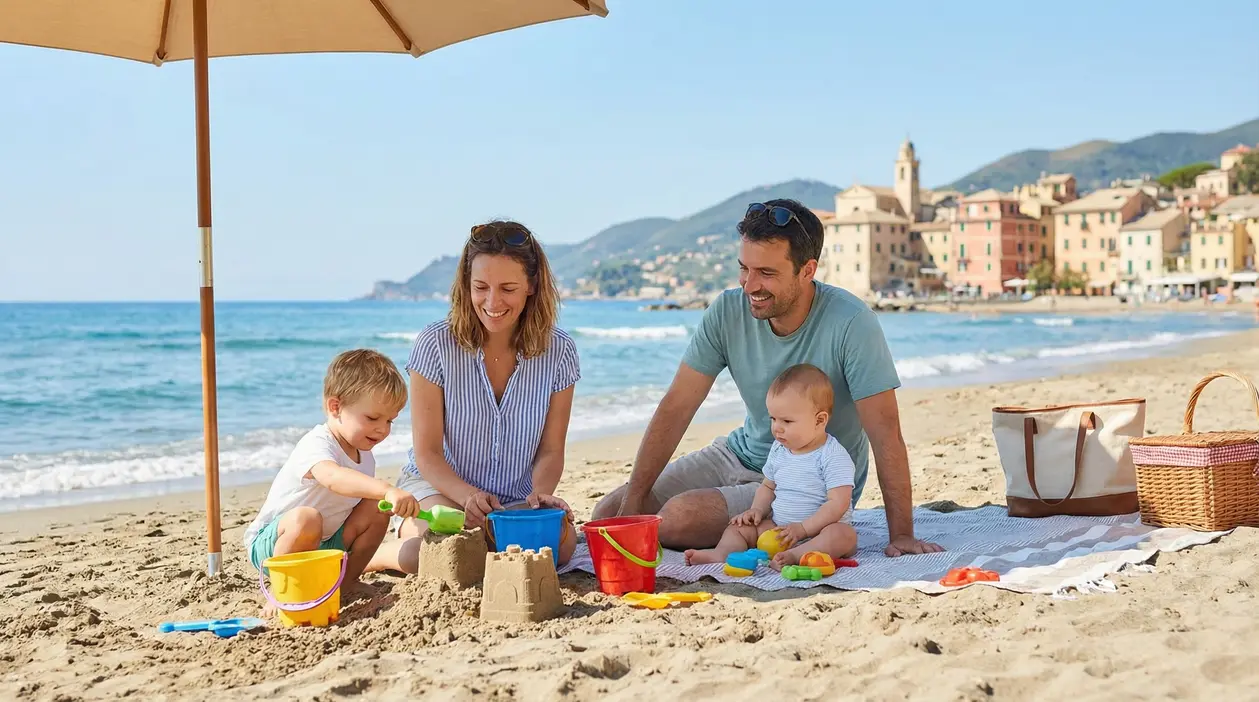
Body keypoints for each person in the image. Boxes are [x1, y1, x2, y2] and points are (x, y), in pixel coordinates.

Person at [592, 198, 943, 558]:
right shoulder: (727, 311)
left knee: (676, 520)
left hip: (808, 481)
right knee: (609, 514)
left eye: (767, 273)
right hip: (738, 454)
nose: (749, 285)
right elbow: (677, 407)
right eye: (744, 268)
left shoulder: (852, 323)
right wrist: (633, 502)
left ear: (807, 270)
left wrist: (901, 535)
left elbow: (885, 432)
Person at [366, 220, 581, 575]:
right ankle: (380, 556)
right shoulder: (435, 344)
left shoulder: (560, 351)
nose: (492, 302)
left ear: (531, 286)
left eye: (508, 288)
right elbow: (428, 453)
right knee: (451, 552)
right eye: (480, 287)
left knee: (564, 546)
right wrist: (468, 498)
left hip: (515, 497)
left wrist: (541, 496)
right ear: (466, 286)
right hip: (441, 491)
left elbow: (551, 449)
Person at [243, 348, 419, 594]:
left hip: (326, 543)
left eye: (389, 421)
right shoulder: (317, 444)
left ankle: (343, 585)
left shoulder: (364, 453)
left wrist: (384, 498)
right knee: (306, 518)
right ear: (335, 407)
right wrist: (387, 489)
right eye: (372, 418)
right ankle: (282, 591)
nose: (382, 430)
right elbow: (334, 477)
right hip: (276, 545)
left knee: (377, 509)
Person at [685, 364, 857, 569]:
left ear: (819, 420)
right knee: (739, 527)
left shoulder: (832, 455)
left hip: (819, 533)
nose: (777, 428)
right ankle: (722, 553)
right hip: (780, 530)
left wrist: (802, 529)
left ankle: (796, 556)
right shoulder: (779, 450)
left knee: (843, 535)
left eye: (786, 421)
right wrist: (756, 510)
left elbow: (837, 504)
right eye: (773, 419)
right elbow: (768, 486)